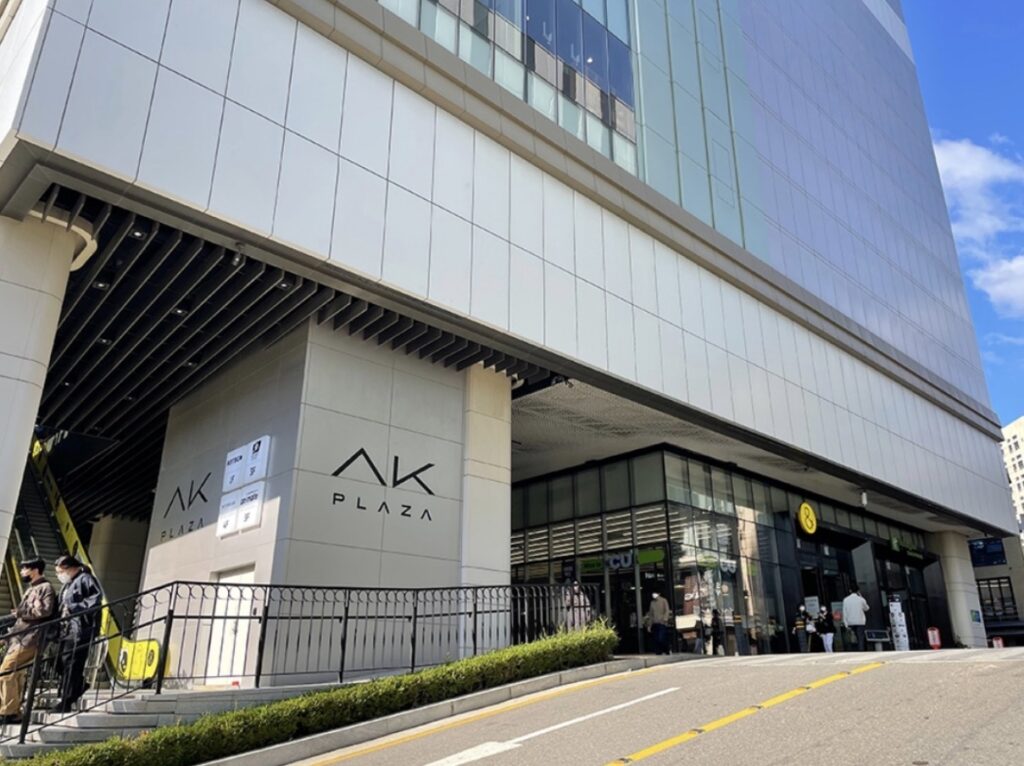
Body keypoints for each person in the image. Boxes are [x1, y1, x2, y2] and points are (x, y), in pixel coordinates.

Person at [0, 559, 56, 724]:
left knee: (6, 670)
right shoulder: (32, 589)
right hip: (20, 638)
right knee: (15, 673)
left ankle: (9, 711)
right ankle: (13, 711)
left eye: (25, 569)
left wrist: (21, 612)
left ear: (35, 570)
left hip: (31, 638)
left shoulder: (45, 588)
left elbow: (44, 611)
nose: (22, 572)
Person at [53, 555, 102, 713]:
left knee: (72, 664)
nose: (59, 575)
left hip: (80, 629)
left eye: (61, 571)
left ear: (71, 568)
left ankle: (67, 700)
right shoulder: (67, 585)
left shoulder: (86, 579)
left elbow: (95, 600)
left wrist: (74, 607)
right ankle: (78, 686)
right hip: (66, 630)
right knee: (59, 662)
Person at [842, 585, 870, 651]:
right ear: (858, 591)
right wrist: (861, 596)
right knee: (860, 638)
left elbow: (844, 612)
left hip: (850, 622)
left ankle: (852, 651)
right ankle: (861, 651)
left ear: (850, 591)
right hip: (860, 622)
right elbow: (867, 608)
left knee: (851, 639)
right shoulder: (861, 599)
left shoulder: (846, 600)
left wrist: (846, 624)